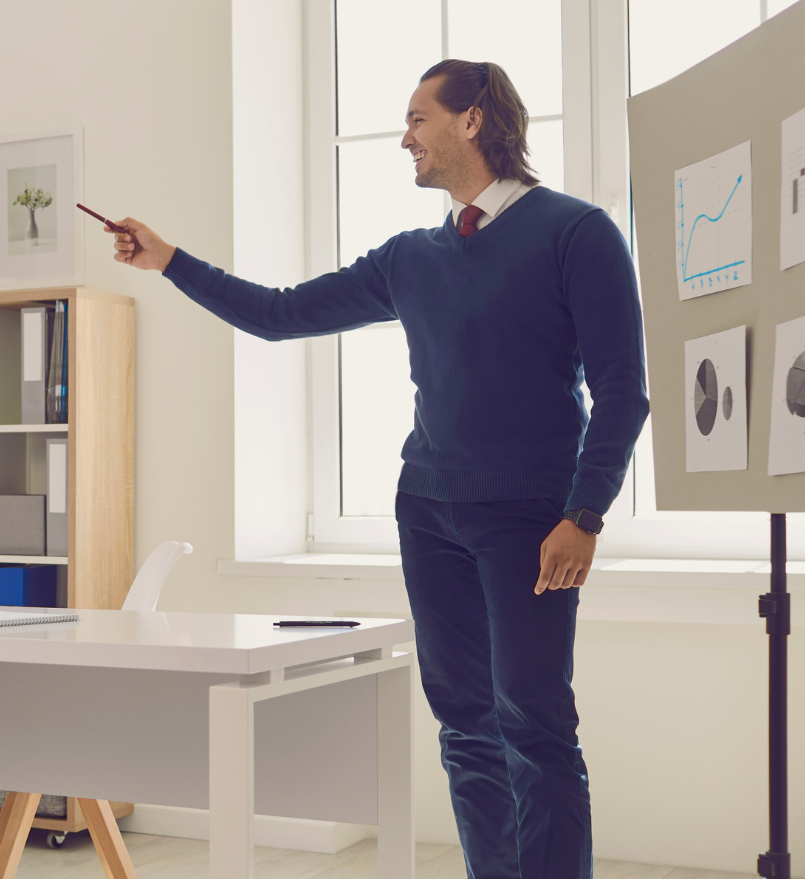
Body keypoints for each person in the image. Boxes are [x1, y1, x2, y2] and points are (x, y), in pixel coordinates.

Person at [104, 59, 648, 879]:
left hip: (531, 520)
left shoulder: (576, 232)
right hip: (429, 512)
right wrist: (170, 260)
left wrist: (585, 514)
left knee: (535, 726)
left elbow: (622, 391)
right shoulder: (410, 257)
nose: (405, 139)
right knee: (464, 726)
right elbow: (279, 314)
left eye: (418, 119)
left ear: (472, 120)